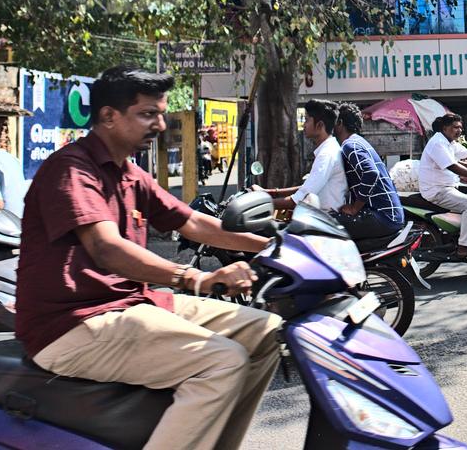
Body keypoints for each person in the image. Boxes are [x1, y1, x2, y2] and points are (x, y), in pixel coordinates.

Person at [15, 66, 281, 450]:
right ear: (109, 116)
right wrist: (196, 278)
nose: (159, 123)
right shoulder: (72, 169)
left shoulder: (130, 173)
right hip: (72, 326)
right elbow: (106, 248)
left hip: (131, 305)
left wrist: (270, 245)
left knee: (267, 330)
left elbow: (191, 221)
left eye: (160, 113)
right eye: (147, 114)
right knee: (222, 362)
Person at [418, 113, 467, 259]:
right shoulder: (438, 143)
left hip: (449, 185)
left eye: (460, 127)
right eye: (455, 127)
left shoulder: (449, 142)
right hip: (438, 190)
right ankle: (464, 248)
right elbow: (453, 166)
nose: (459, 130)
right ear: (445, 128)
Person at [332, 102, 404, 240]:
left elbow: (371, 173)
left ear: (340, 123)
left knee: (325, 227)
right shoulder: (358, 142)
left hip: (382, 216)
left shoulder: (350, 145)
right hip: (388, 215)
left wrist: (354, 208)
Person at [262, 99, 347, 212]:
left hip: (324, 220)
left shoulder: (326, 155)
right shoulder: (329, 149)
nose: (304, 125)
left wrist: (259, 204)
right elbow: (306, 188)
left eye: (306, 120)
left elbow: (298, 199)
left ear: (319, 125)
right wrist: (270, 192)